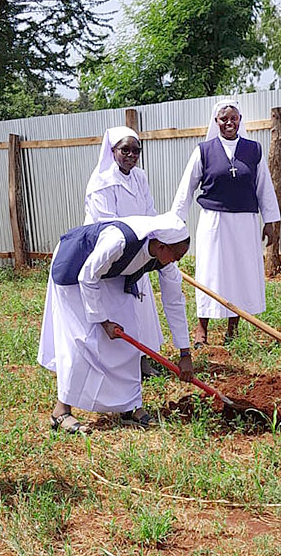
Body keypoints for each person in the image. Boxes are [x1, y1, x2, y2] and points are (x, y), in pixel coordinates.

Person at [37, 212, 193, 433]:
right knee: (82, 340)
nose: (176, 262)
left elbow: (175, 301)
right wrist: (102, 321)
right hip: (75, 270)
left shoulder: (164, 256)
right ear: (161, 248)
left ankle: (129, 407)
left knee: (127, 339)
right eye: (176, 257)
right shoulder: (119, 241)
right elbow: (87, 276)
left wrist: (185, 353)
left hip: (112, 274)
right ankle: (60, 412)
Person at [172, 99, 281, 346]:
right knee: (210, 272)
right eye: (224, 119)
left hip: (245, 222)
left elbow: (264, 186)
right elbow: (186, 188)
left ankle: (233, 328)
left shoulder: (253, 150)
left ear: (240, 120)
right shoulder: (204, 150)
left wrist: (270, 220)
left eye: (233, 118)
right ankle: (202, 329)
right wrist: (175, 224)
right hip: (214, 221)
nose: (229, 123)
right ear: (216, 121)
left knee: (240, 272)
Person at [84, 126, 163, 379]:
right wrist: (134, 241)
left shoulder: (140, 176)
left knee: (141, 309)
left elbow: (149, 209)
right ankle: (121, 364)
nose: (131, 155)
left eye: (136, 150)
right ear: (113, 151)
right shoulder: (101, 181)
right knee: (120, 310)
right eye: (124, 150)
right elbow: (107, 221)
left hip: (138, 251)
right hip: (113, 253)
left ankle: (142, 359)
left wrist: (153, 234)